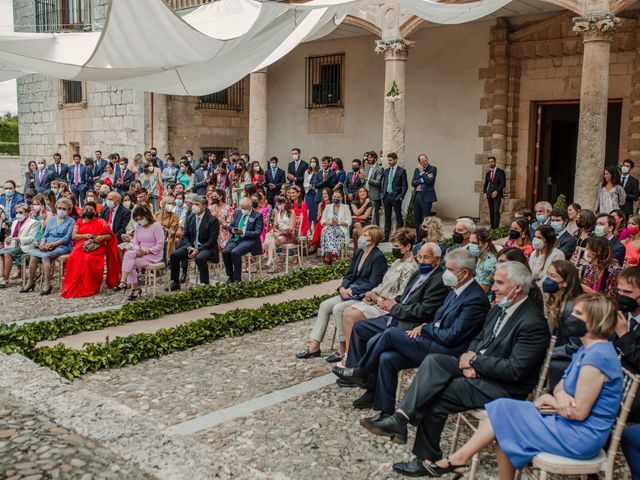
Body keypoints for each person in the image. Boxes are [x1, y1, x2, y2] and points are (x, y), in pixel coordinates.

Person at [362, 262, 550, 476]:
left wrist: (475, 363)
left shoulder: (533, 323)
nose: (493, 287)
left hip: (503, 387)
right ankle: (401, 418)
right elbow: (478, 339)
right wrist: (467, 358)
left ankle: (425, 457)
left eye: (499, 283)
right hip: (479, 369)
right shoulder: (500, 308)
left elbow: (516, 370)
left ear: (517, 288)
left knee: (437, 394)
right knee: (435, 361)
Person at [427, 293, 622, 479]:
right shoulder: (586, 350)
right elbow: (561, 385)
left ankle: (459, 459)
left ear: (596, 320)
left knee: (505, 424)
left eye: (578, 314)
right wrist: (559, 396)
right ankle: (460, 459)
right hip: (566, 422)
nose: (571, 317)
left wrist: (555, 399)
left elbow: (577, 412)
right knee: (503, 407)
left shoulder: (598, 357)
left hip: (580, 435)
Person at [336, 250, 489, 415]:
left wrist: (424, 328)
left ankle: (361, 371)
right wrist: (424, 327)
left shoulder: (475, 299)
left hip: (447, 351)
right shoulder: (456, 289)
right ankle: (385, 412)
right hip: (434, 339)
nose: (445, 273)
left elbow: (451, 336)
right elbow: (438, 319)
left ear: (464, 273)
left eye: (450, 270)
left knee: (390, 334)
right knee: (387, 358)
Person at [344, 242, 449, 373]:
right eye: (419, 257)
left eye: (426, 257)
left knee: (374, 341)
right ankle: (352, 369)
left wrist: (394, 308)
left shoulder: (438, 280)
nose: (421, 261)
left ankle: (361, 372)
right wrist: (389, 301)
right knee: (359, 327)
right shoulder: (417, 274)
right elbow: (406, 296)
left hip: (409, 323)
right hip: (396, 316)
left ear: (437, 259)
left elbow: (424, 310)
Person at [296, 225, 388, 360]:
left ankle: (343, 347)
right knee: (324, 305)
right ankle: (314, 346)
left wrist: (352, 290)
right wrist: (343, 288)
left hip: (363, 295)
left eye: (366, 236)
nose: (362, 237)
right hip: (349, 291)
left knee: (338, 308)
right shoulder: (359, 252)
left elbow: (373, 283)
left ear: (373, 240)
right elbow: (349, 274)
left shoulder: (378, 257)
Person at [340, 228, 418, 361]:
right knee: (346, 311)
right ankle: (350, 353)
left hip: (386, 306)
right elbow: (383, 283)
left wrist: (377, 298)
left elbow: (401, 294)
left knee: (349, 315)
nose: (393, 249)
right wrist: (373, 292)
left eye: (396, 246)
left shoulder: (410, 267)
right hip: (378, 298)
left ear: (408, 247)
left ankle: (349, 356)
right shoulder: (397, 262)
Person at [61, 201, 120, 298]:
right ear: (83, 211)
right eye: (86, 210)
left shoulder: (101, 222)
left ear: (95, 211)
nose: (89, 211)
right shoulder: (79, 221)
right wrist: (85, 236)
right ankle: (75, 284)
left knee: (88, 259)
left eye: (91, 210)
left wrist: (100, 238)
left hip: (96, 246)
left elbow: (110, 236)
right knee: (72, 258)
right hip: (80, 246)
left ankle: (90, 286)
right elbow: (74, 236)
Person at [545, 259, 584, 386]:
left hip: (568, 361)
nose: (548, 279)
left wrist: (547, 352)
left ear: (565, 283)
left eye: (553, 276)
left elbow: (575, 346)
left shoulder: (570, 308)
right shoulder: (556, 302)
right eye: (548, 275)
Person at [169, 196, 219, 290]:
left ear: (204, 206)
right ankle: (175, 282)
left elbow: (212, 241)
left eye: (197, 204)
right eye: (193, 204)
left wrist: (198, 249)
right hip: (191, 247)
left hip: (206, 248)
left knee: (200, 258)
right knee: (174, 255)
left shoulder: (212, 220)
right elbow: (185, 236)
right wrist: (189, 247)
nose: (193, 206)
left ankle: (205, 285)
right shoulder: (190, 217)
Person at [116, 206, 165, 301]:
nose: (139, 221)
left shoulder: (156, 226)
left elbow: (160, 245)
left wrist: (146, 251)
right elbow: (135, 242)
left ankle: (129, 284)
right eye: (137, 219)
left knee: (130, 263)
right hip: (140, 252)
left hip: (153, 253)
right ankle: (129, 284)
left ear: (147, 216)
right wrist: (138, 250)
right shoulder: (138, 226)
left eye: (141, 218)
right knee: (129, 255)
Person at [222, 196, 264, 283]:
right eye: (241, 207)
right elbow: (231, 225)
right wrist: (232, 230)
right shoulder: (238, 212)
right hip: (236, 238)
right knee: (225, 252)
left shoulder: (257, 215)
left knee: (235, 252)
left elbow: (257, 233)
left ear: (250, 206)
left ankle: (237, 278)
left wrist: (243, 233)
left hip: (249, 240)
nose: (243, 209)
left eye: (244, 208)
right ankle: (231, 275)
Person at [0, 203, 37, 287]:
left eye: (21, 212)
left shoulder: (33, 223)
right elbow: (12, 235)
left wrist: (19, 238)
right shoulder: (15, 222)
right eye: (17, 212)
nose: (18, 214)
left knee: (7, 254)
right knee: (0, 253)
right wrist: (7, 238)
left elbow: (31, 238)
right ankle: (1, 277)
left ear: (27, 213)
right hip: (14, 245)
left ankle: (5, 279)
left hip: (25, 247)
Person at [264, 196, 297, 273]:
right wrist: (273, 230)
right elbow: (275, 224)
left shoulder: (291, 212)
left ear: (285, 203)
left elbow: (291, 228)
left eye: (280, 203)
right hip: (280, 233)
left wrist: (279, 233)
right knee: (268, 235)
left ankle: (275, 261)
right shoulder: (277, 212)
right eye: (277, 203)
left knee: (273, 241)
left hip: (289, 235)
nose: (278, 205)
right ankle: (274, 260)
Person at [319, 190, 351, 265]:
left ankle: (329, 255)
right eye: (334, 197)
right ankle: (333, 252)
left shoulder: (346, 207)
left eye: (338, 197)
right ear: (332, 197)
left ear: (341, 198)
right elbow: (322, 221)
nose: (336, 198)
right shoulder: (328, 207)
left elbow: (349, 222)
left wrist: (338, 223)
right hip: (329, 227)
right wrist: (330, 222)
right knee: (329, 230)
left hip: (341, 229)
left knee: (329, 231)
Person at [381, 152, 408, 241]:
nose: (389, 162)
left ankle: (399, 237)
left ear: (395, 160)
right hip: (386, 196)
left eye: (391, 160)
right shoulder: (386, 171)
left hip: (396, 197)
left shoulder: (401, 171)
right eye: (388, 160)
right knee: (387, 217)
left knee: (398, 217)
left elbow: (405, 185)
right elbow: (385, 183)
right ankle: (386, 237)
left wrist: (401, 197)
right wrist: (383, 194)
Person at [411, 153, 437, 236]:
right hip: (417, 196)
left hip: (426, 197)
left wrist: (422, 173)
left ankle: (426, 237)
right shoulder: (416, 170)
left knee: (426, 219)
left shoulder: (432, 169)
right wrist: (422, 180)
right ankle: (418, 238)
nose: (425, 162)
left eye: (426, 160)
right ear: (419, 162)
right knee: (417, 219)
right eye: (423, 161)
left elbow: (430, 181)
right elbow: (413, 183)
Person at [469, 227, 498, 293]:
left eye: (474, 243)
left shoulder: (489, 264)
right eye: (470, 242)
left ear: (485, 245)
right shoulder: (481, 258)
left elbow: (482, 292)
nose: (470, 246)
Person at [483, 156, 506, 229]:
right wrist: (485, 193)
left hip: (497, 195)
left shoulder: (501, 172)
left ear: (495, 162)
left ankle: (496, 228)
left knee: (496, 211)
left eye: (492, 162)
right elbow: (485, 184)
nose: (491, 163)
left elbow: (503, 184)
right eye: (489, 162)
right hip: (489, 195)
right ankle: (492, 227)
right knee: (491, 211)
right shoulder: (488, 173)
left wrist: (497, 191)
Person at [309, 187, 332, 254]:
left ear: (329, 194)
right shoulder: (321, 204)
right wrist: (319, 214)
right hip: (323, 223)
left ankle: (314, 244)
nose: (324, 195)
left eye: (326, 193)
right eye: (323, 194)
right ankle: (315, 244)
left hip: (330, 223)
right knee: (320, 223)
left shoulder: (333, 204)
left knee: (320, 224)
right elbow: (318, 218)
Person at [364, 151, 384, 226]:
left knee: (375, 216)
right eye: (368, 157)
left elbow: (378, 182)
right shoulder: (366, 167)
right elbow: (363, 180)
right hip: (365, 193)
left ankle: (376, 231)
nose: (369, 159)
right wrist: (362, 178)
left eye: (370, 157)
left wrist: (367, 179)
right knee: (366, 214)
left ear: (375, 158)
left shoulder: (379, 168)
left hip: (374, 195)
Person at [350, 186, 372, 251]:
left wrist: (355, 217)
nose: (363, 193)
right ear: (358, 194)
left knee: (355, 231)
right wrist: (365, 204)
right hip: (354, 223)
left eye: (364, 191)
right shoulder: (353, 202)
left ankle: (356, 250)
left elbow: (365, 217)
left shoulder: (370, 203)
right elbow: (357, 212)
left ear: (367, 193)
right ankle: (364, 247)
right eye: (360, 191)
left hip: (366, 223)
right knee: (357, 224)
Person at [303, 157, 319, 226]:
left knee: (315, 212)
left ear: (317, 163)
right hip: (308, 193)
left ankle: (315, 229)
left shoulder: (319, 171)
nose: (312, 163)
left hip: (316, 193)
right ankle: (308, 230)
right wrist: (308, 185)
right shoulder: (307, 171)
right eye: (311, 161)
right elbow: (304, 183)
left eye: (314, 161)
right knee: (309, 212)